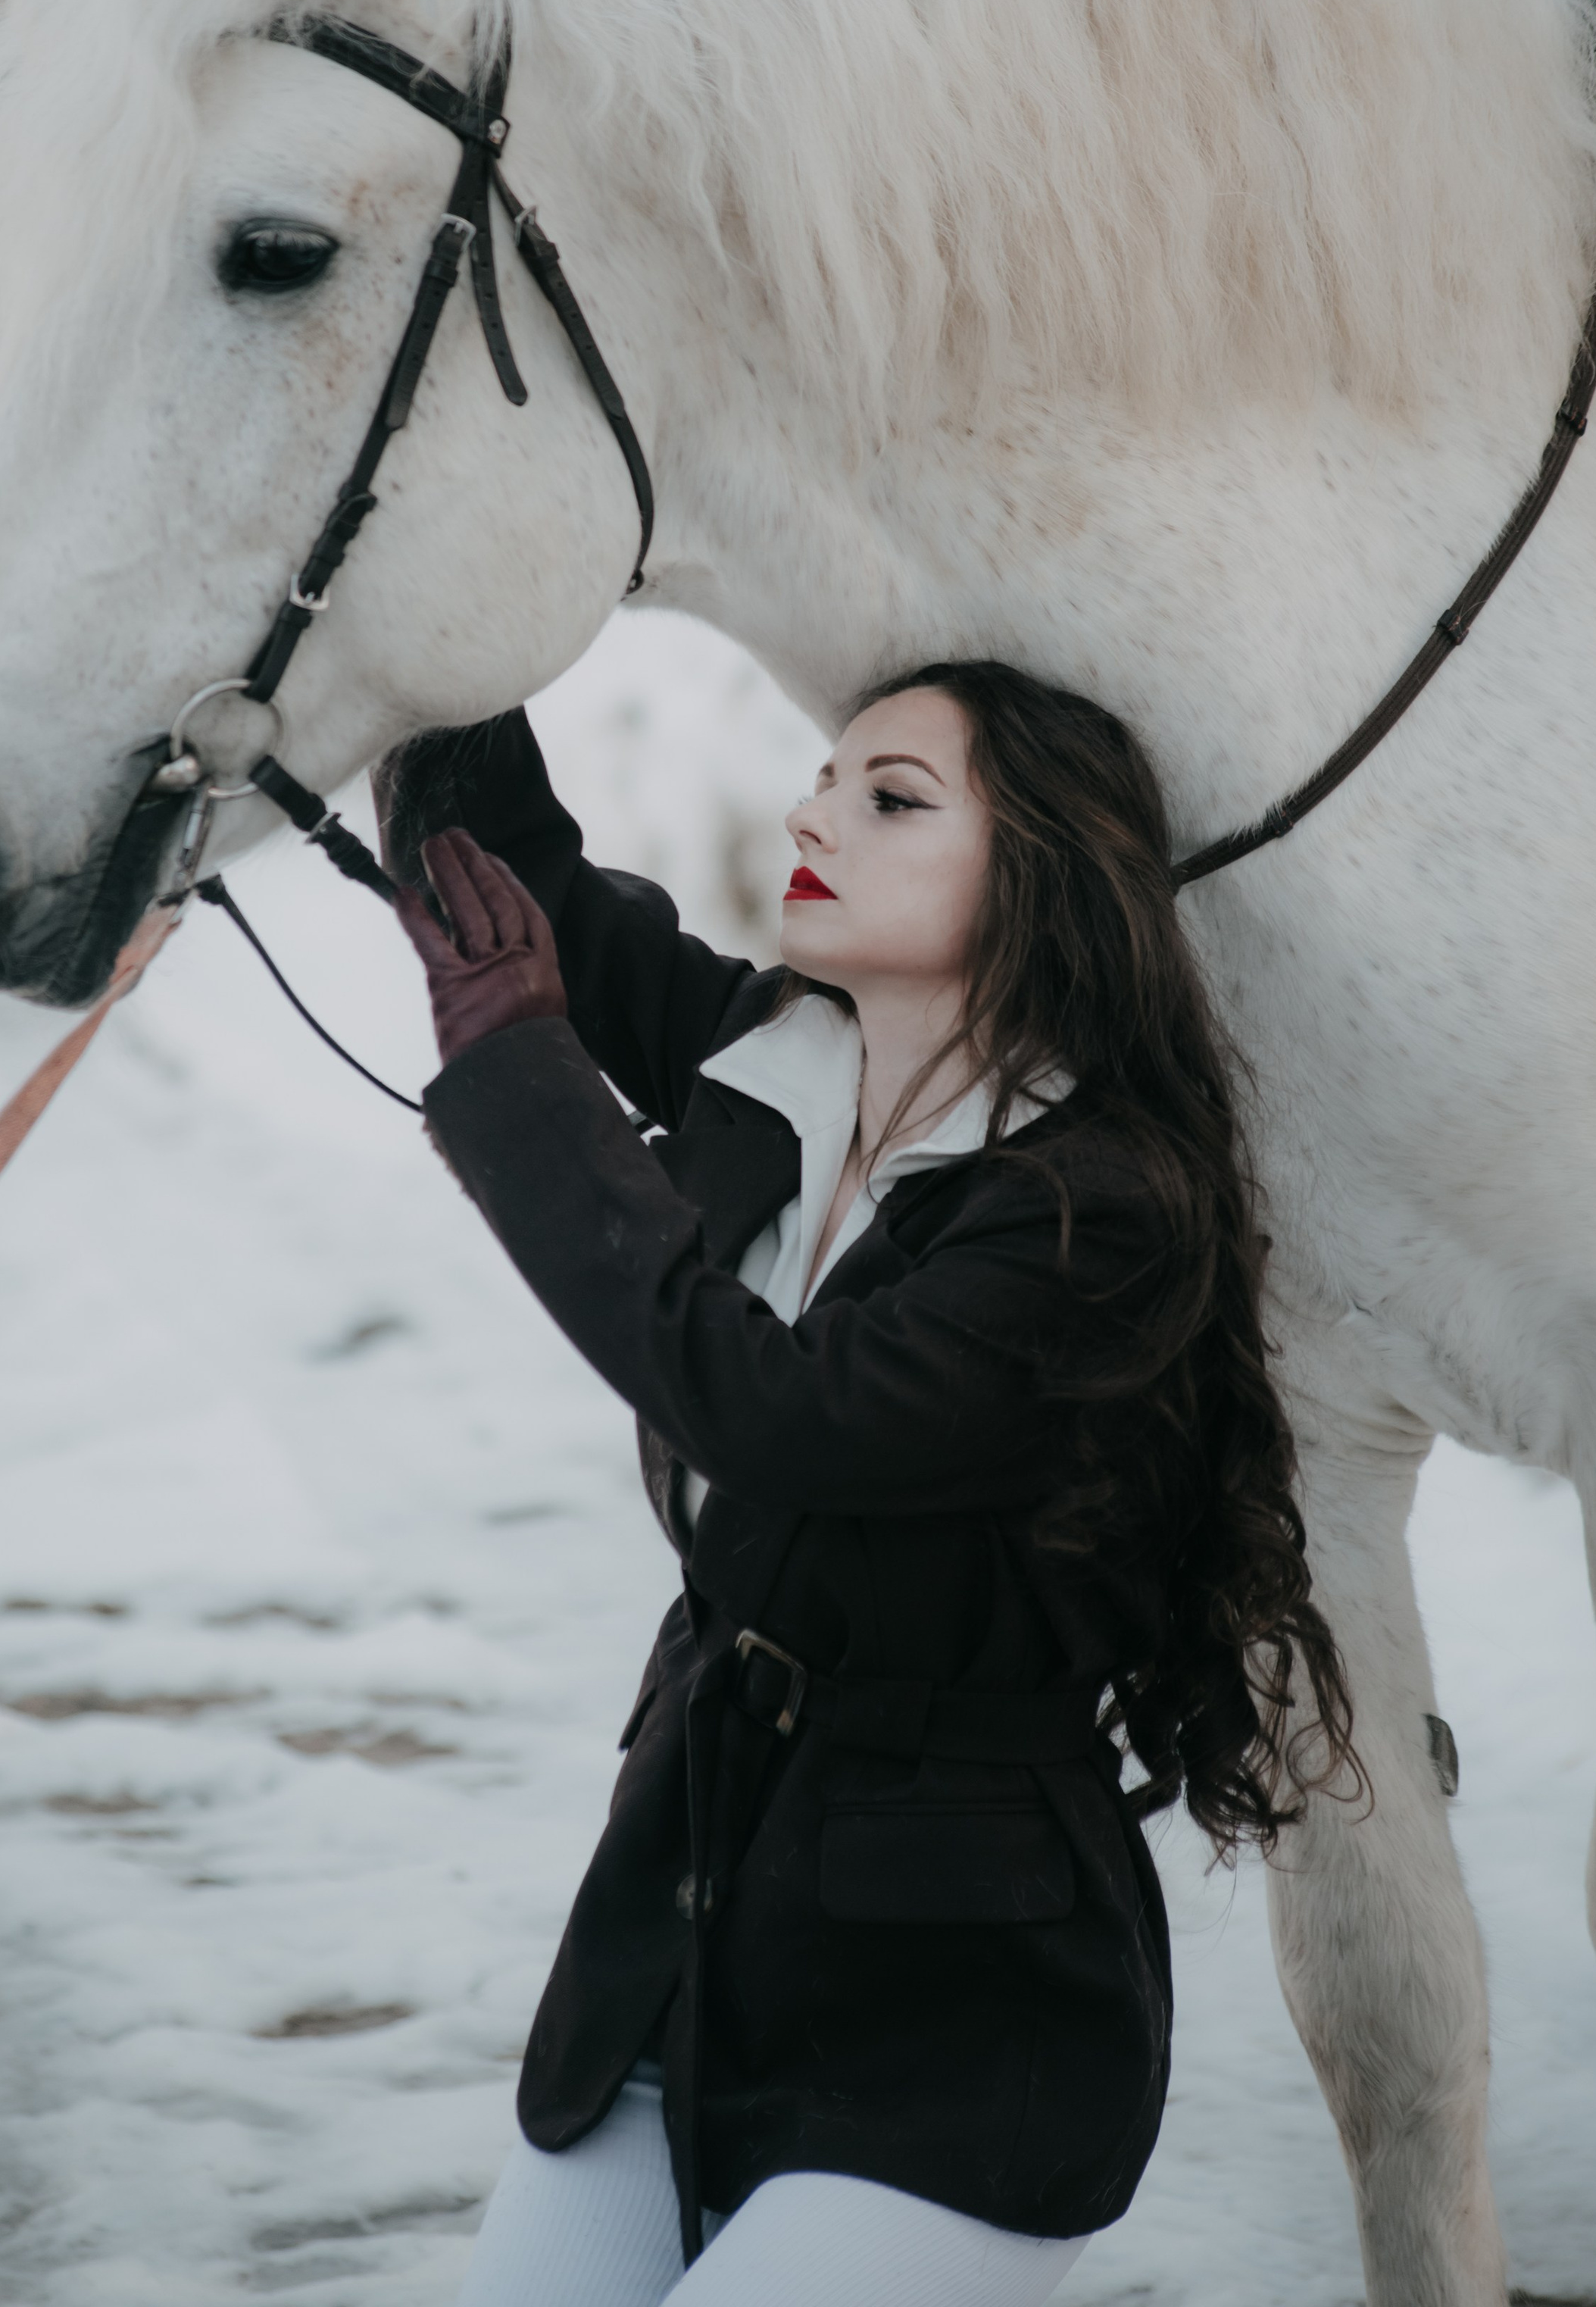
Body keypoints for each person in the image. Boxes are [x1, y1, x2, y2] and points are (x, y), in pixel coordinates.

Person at [378, 661, 1359, 2307]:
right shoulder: (774, 1056)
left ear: (1040, 871)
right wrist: (431, 611)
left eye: (891, 798)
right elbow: (511, 871)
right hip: (673, 1942)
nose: (814, 813)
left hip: (955, 2023)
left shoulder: (1097, 1206)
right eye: (827, 776)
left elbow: (783, 1416)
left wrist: (518, 1076)